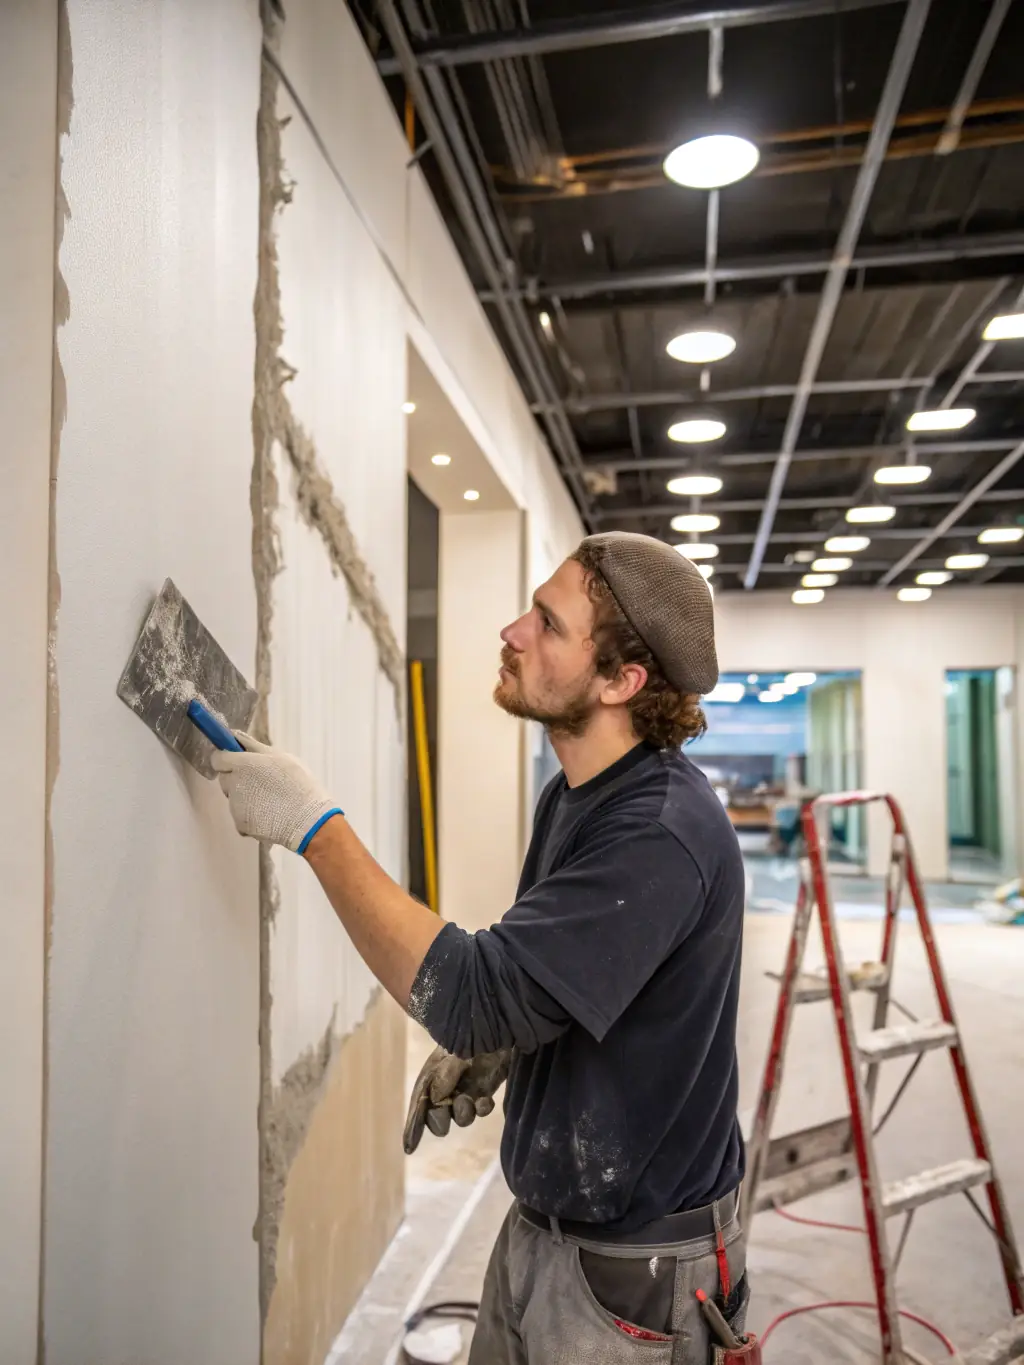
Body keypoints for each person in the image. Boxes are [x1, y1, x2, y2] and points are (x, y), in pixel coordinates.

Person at [213, 530, 748, 1363]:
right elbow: (549, 976)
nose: (512, 631)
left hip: (634, 1274)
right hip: (546, 1226)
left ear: (621, 681)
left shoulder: (658, 831)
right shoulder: (574, 796)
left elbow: (471, 994)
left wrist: (313, 826)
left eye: (548, 622)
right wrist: (509, 1041)